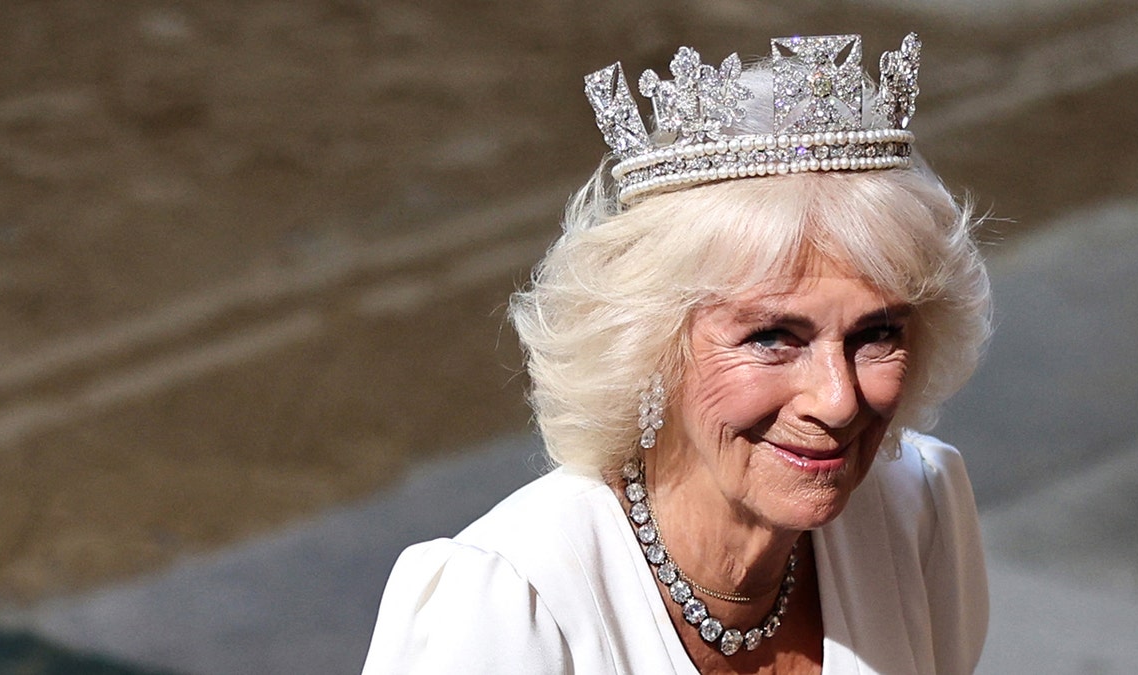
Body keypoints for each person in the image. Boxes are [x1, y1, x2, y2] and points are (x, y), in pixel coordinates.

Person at [363, 32, 991, 674]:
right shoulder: (509, 605)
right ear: (650, 346)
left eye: (877, 334)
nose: (836, 399)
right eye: (772, 337)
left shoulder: (919, 508)